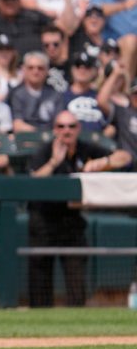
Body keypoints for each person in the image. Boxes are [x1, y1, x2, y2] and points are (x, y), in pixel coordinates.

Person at [27, 110, 132, 307]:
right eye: (61, 126)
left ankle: (76, 319)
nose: (66, 131)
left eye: (71, 126)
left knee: (76, 279)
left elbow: (125, 157)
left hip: (72, 222)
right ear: (54, 129)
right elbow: (33, 183)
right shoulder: (44, 151)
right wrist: (53, 163)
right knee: (40, 281)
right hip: (43, 221)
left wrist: (104, 162)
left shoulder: (85, 148)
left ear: (79, 129)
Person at [88, 0, 137, 83]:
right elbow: (96, 10)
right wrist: (123, 6)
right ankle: (124, 87)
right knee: (130, 41)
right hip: (111, 47)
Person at [8, 51, 64, 132]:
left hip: (50, 140)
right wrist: (40, 134)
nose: (35, 72)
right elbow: (17, 125)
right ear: (24, 69)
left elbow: (60, 124)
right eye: (31, 68)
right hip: (24, 140)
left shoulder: (55, 95)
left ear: (47, 70)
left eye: (40, 68)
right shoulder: (16, 94)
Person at [97, 60, 137, 168]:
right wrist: (115, 74)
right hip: (126, 163)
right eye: (135, 94)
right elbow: (102, 101)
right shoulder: (122, 111)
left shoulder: (127, 106)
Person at [62, 51, 111, 133]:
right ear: (72, 69)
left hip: (98, 142)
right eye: (78, 65)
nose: (82, 70)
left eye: (87, 66)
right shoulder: (62, 96)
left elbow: (111, 125)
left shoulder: (101, 97)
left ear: (95, 71)